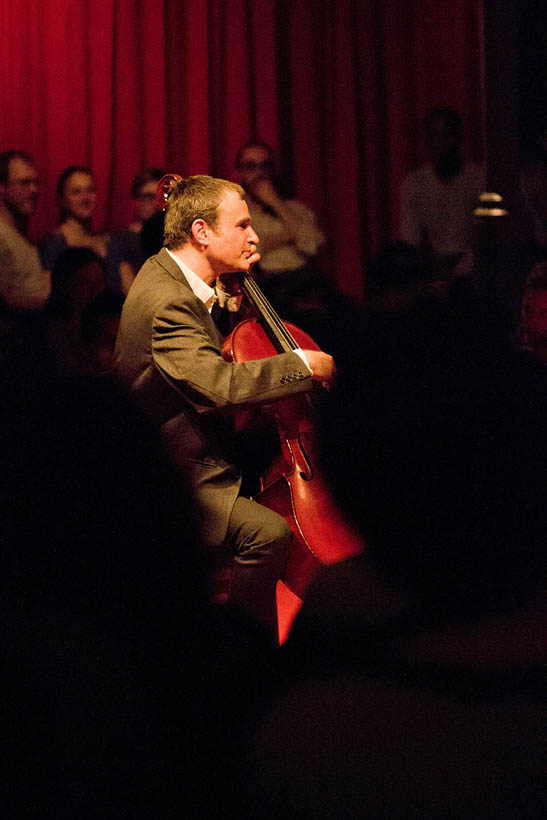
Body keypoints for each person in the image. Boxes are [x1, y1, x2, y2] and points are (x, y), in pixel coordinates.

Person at [114, 174, 334, 638]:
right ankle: (239, 645)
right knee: (269, 534)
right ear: (201, 232)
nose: (255, 238)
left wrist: (225, 302)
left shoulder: (175, 275)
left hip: (201, 443)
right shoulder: (166, 301)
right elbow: (218, 386)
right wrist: (300, 365)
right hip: (174, 469)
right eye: (243, 226)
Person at [235, 141, 326, 315]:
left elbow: (313, 245)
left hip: (305, 284)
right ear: (240, 171)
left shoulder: (295, 209)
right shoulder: (235, 211)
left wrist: (275, 202)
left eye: (264, 166)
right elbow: (247, 253)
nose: (259, 173)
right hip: (266, 289)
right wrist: (289, 235)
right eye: (250, 166)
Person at [399, 106, 485, 280]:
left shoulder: (479, 179)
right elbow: (411, 239)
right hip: (431, 270)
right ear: (427, 141)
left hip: (475, 268)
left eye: (448, 135)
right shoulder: (415, 183)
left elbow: (484, 234)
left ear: (460, 138)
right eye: (435, 136)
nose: (442, 143)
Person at [38, 165, 136, 296]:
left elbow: (132, 294)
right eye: (76, 192)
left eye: (90, 190)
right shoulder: (53, 243)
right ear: (62, 200)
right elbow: (50, 296)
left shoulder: (112, 243)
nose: (85, 198)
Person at [0, 150, 50, 311]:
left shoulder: (22, 234)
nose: (34, 190)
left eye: (36, 182)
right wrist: (54, 300)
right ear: (2, 188)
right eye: (24, 183)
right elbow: (7, 303)